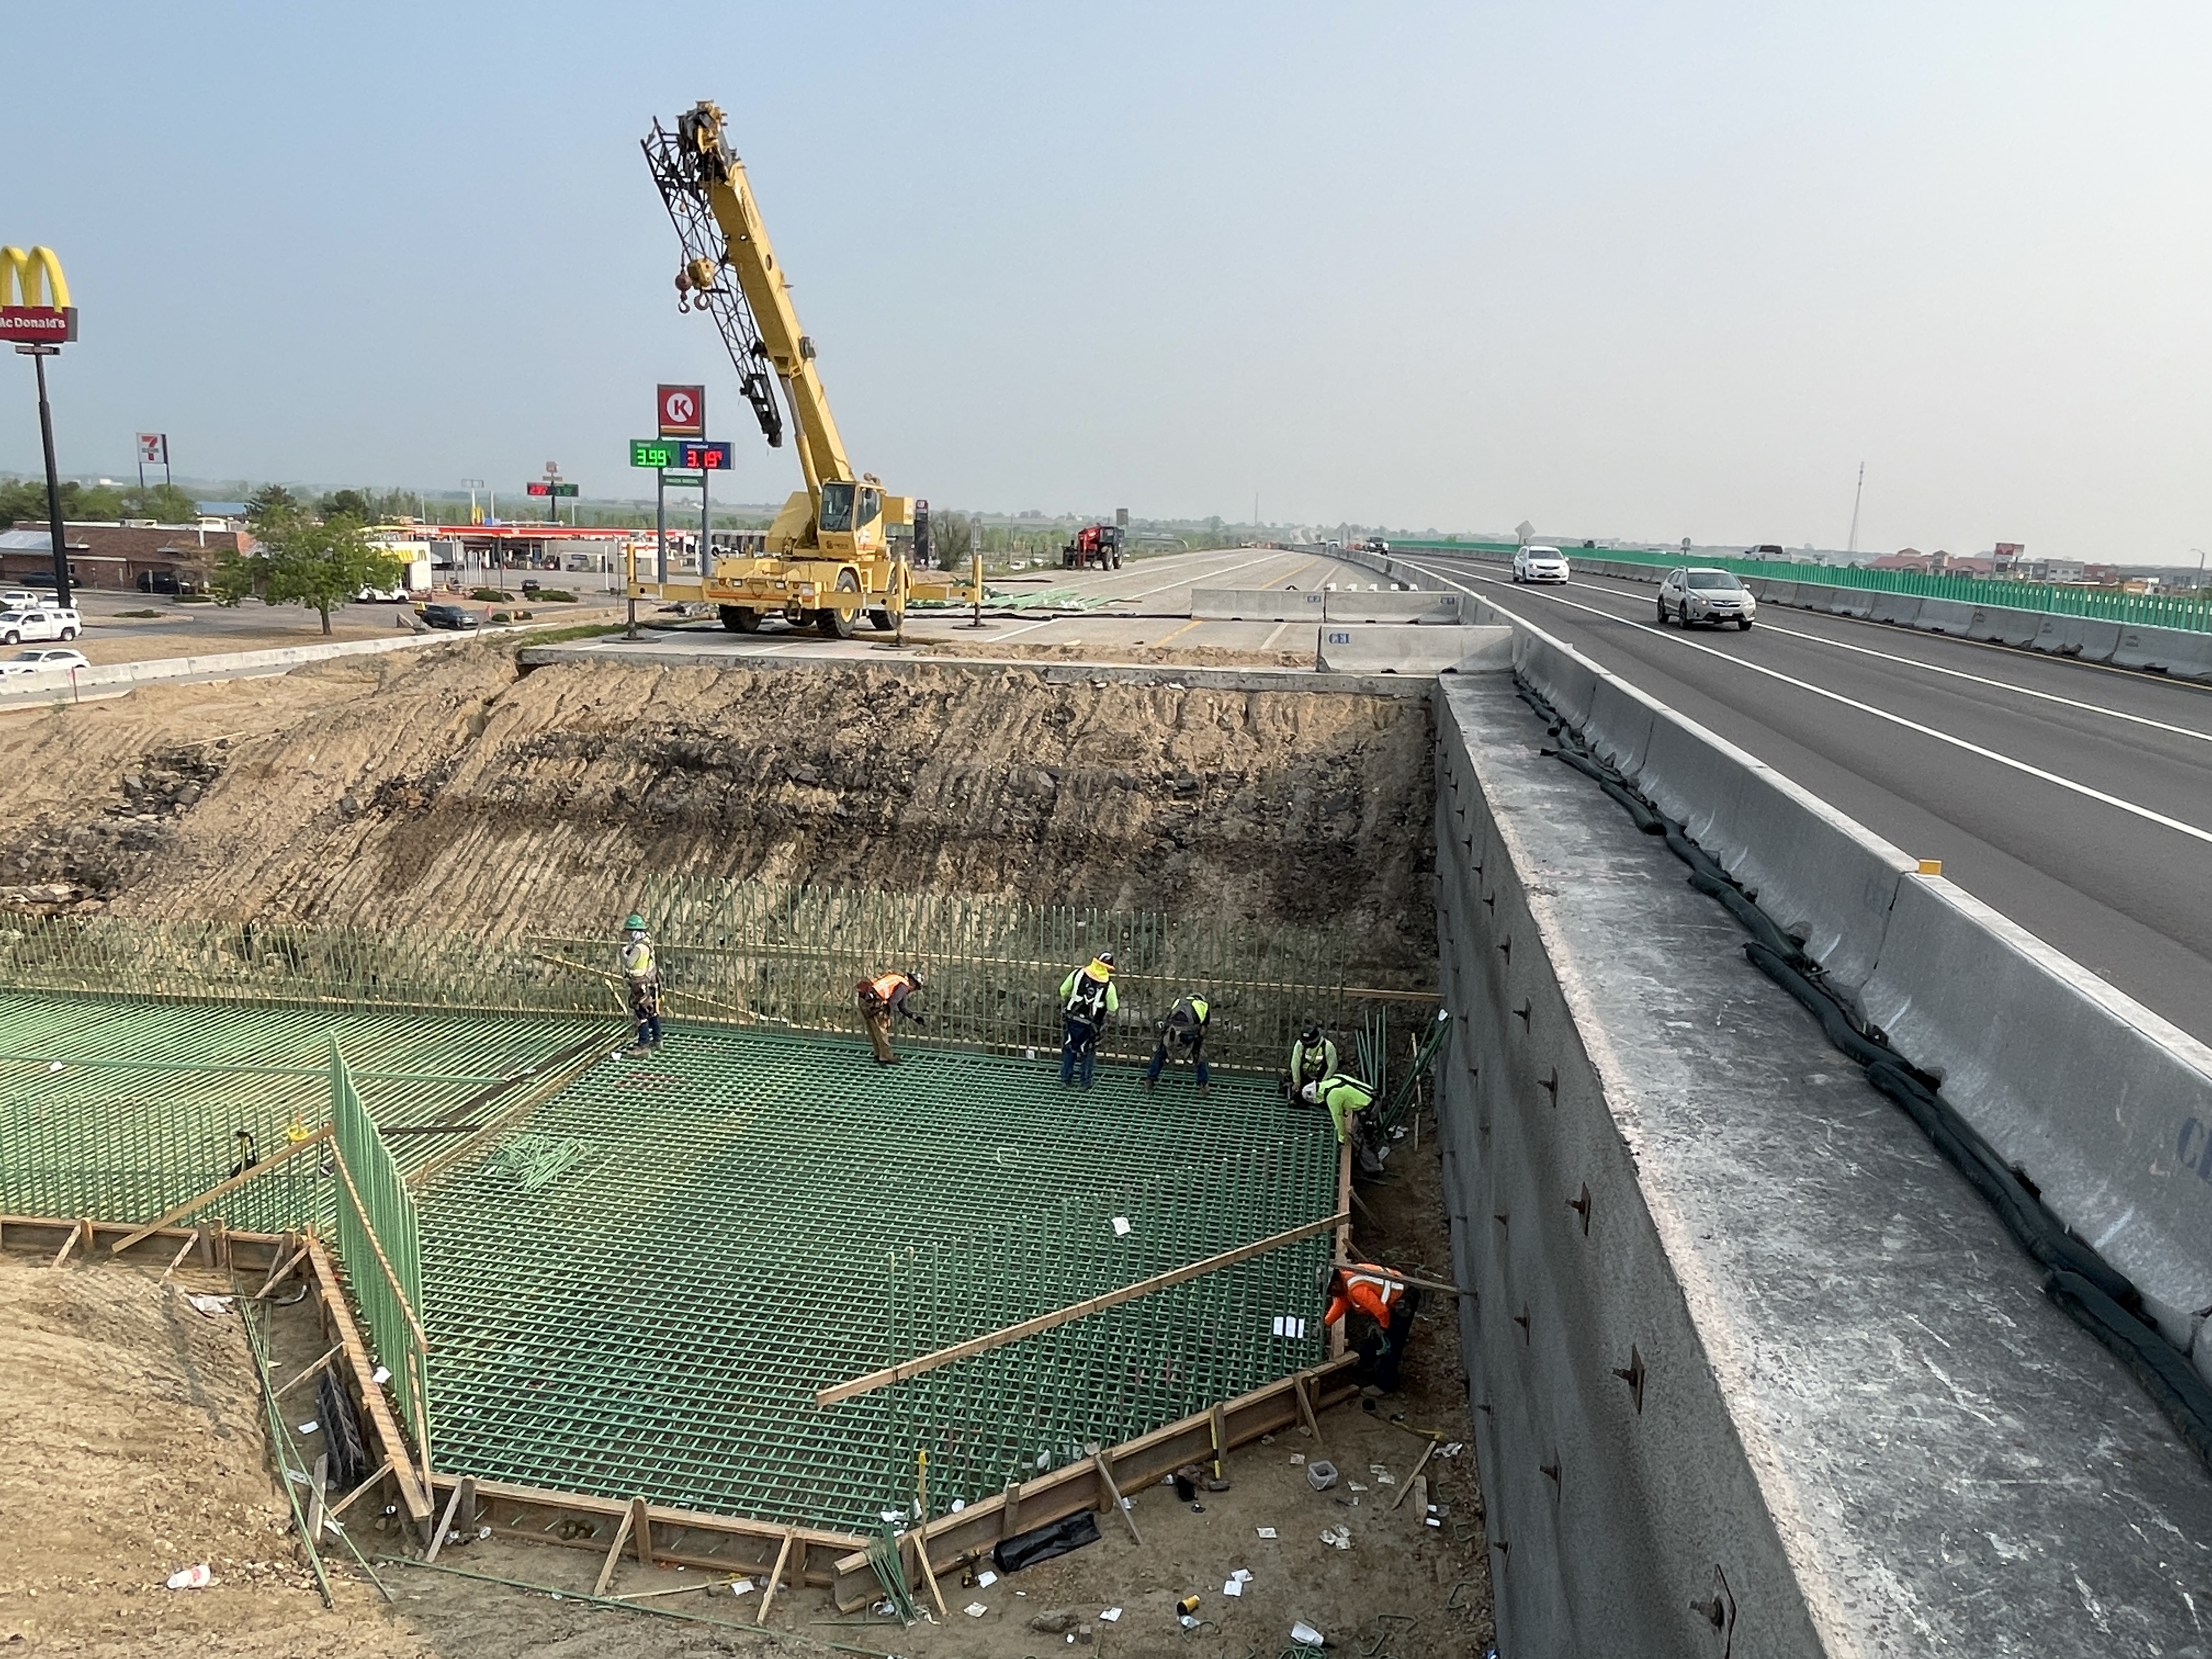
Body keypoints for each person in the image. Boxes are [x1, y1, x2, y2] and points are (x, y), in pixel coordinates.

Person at [1323, 1261, 1421, 1395]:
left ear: (1335, 1284)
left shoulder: (1356, 1290)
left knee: (1391, 1344)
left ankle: (1384, 1385)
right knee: (1377, 1336)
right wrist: (1326, 1323)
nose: (1332, 1295)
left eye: (1331, 1291)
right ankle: (1364, 1363)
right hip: (1393, 1299)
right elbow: (1341, 1304)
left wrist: (1385, 1328)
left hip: (1403, 1301)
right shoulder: (1346, 1278)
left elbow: (1381, 1311)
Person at [1058, 951, 1118, 1089]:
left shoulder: (1077, 974)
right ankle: (1085, 1083)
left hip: (1073, 1018)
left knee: (1070, 1048)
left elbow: (1063, 990)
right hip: (1092, 1025)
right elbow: (1113, 1008)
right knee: (1088, 1052)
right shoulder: (1109, 987)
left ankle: (1066, 1079)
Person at [1143, 994, 1211, 1092]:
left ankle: (1150, 1080)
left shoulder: (1179, 1002)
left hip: (1173, 1031)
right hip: (1190, 1032)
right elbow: (1203, 1030)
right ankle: (1204, 1085)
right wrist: (1197, 1042)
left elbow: (1169, 1019)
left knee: (1163, 1051)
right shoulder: (1204, 1006)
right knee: (1200, 1055)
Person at [856, 968, 925, 1065]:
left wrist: (913, 1017)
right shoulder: (904, 987)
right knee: (882, 1031)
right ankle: (886, 1057)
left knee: (874, 1030)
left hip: (865, 1000)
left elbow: (902, 1007)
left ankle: (879, 1054)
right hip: (873, 1003)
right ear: (914, 985)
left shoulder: (900, 981)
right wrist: (886, 1015)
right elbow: (893, 1002)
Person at [619, 912, 662, 1054]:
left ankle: (643, 1045)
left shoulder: (638, 948)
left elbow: (630, 963)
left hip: (640, 985)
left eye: (630, 932)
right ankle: (658, 1039)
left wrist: (624, 954)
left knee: (641, 1015)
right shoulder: (648, 942)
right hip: (652, 982)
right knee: (653, 1011)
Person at [1301, 1072, 1375, 1145]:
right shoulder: (1335, 1078)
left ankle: (1373, 1143)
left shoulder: (1331, 1097)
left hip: (1369, 1105)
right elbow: (1348, 1091)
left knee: (1358, 1131)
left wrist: (1342, 1138)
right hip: (1373, 1093)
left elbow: (1338, 1119)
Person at [1286, 1023, 1337, 1096]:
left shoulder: (1328, 1047)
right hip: (1304, 1077)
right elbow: (1295, 1063)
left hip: (1320, 1078)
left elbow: (1332, 1067)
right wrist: (1297, 1082)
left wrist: (1321, 1086)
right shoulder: (1300, 1045)